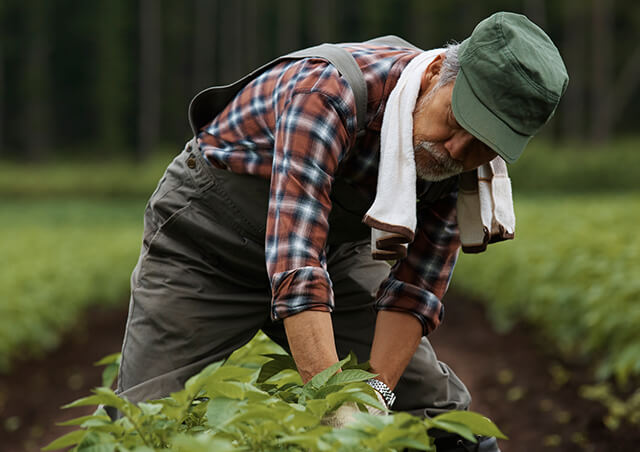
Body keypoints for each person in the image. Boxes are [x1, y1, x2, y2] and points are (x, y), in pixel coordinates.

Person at [115, 11, 567, 451]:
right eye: (455, 121)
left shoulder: (461, 168)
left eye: (482, 145)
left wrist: (372, 400)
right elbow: (296, 261)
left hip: (330, 254)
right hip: (207, 247)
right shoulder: (330, 91)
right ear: (433, 73)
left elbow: (415, 291)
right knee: (145, 422)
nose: (455, 150)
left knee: (441, 414)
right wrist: (335, 406)